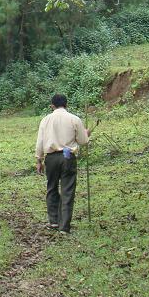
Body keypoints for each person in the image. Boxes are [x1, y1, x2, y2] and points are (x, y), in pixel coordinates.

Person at [35, 93, 90, 233]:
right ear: (66, 104)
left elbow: (40, 142)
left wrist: (38, 160)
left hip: (51, 158)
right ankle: (64, 226)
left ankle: (53, 221)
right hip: (68, 157)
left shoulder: (45, 120)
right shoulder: (74, 119)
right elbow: (83, 141)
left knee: (51, 188)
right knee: (67, 190)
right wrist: (86, 133)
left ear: (52, 106)